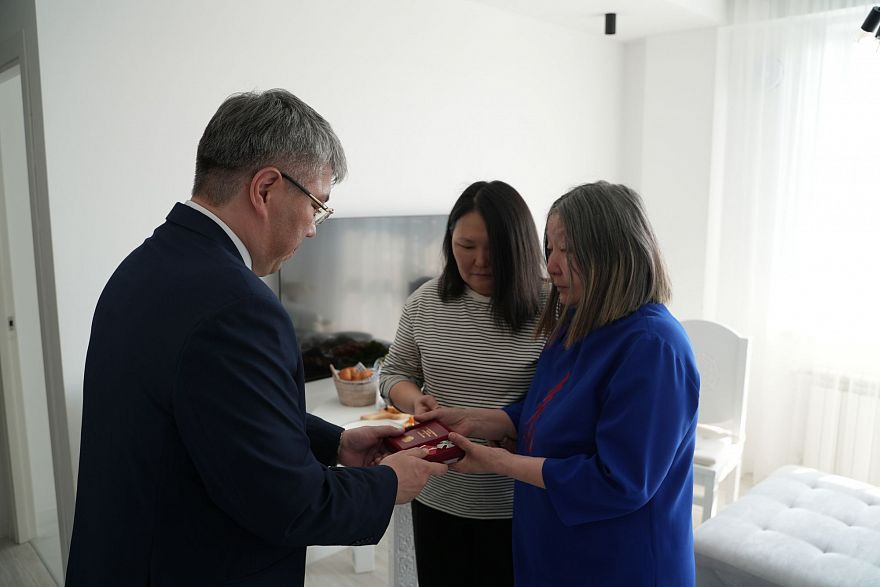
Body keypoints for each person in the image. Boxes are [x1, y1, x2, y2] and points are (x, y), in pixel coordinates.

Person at [65, 89, 447, 586]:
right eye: (317, 206)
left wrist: (336, 442)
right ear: (265, 189)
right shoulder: (239, 307)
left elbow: (216, 414)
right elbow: (288, 503)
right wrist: (388, 483)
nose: (313, 230)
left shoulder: (144, 264)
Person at [422, 181, 700, 586]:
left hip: (619, 562)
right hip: (556, 547)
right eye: (550, 249)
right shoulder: (580, 318)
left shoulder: (654, 347)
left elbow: (619, 481)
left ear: (613, 251)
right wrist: (479, 420)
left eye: (566, 250)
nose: (551, 266)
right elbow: (550, 405)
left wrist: (497, 462)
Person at [379, 180, 547, 587]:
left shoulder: (552, 308)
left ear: (521, 247)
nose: (480, 261)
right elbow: (393, 372)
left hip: (519, 500)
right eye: (466, 246)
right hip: (437, 491)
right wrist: (415, 400)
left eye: (494, 248)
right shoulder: (425, 302)